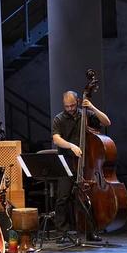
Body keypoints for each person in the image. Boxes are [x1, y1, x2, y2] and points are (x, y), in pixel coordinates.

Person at [51, 90, 111, 240]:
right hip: (67, 161)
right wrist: (71, 146)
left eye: (72, 105)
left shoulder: (86, 114)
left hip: (87, 163)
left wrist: (92, 107)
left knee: (87, 197)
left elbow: (106, 122)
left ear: (77, 101)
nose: (70, 108)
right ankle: (62, 233)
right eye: (67, 106)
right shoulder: (59, 119)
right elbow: (56, 139)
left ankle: (90, 231)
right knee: (62, 198)